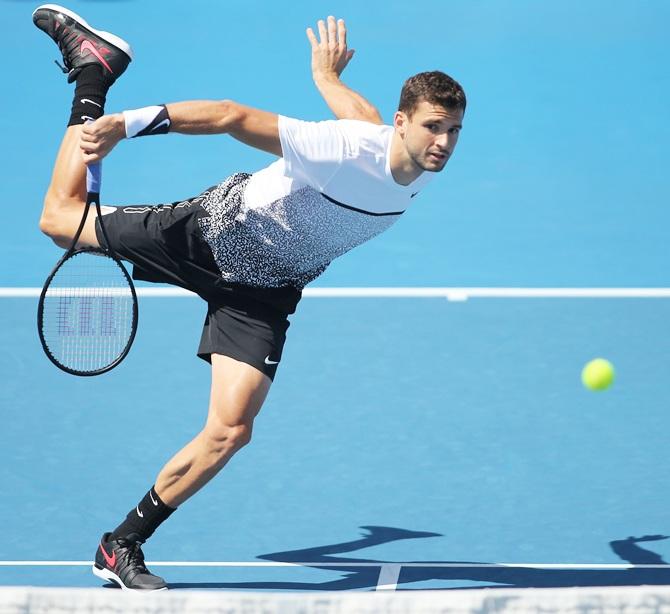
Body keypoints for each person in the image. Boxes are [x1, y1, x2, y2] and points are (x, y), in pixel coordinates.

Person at [33, 4, 466, 591]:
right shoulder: (341, 150)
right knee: (60, 220)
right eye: (433, 127)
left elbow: (364, 118)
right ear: (404, 122)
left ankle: (120, 545)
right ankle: (93, 72)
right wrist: (126, 124)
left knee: (231, 431)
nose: (443, 142)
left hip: (265, 291)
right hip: (211, 237)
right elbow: (232, 117)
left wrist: (328, 80)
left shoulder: (414, 158)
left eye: (453, 130)